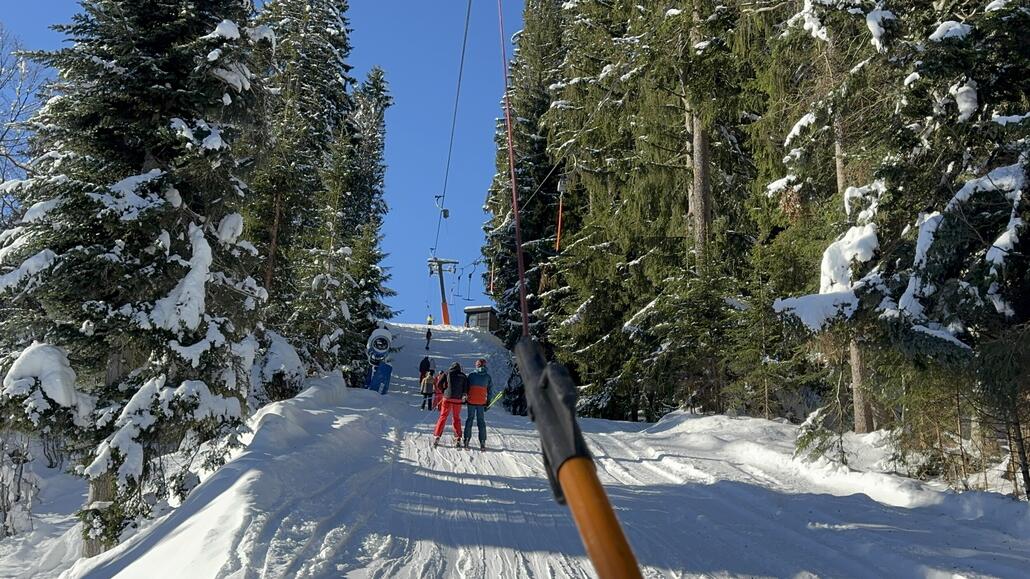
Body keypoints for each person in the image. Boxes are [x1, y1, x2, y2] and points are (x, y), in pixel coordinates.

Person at [433, 362, 468, 447]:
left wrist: (444, 391)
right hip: (457, 399)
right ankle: (458, 437)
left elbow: (438, 384)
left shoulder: (447, 373)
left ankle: (437, 436)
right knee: (456, 417)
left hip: (447, 398)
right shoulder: (463, 375)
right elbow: (466, 388)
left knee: (443, 416)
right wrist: (463, 395)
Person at [463, 358, 493, 451]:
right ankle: (482, 441)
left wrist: (465, 398)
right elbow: (490, 392)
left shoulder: (471, 375)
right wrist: (488, 402)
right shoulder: (488, 377)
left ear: (477, 365)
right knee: (481, 421)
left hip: (471, 401)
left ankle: (467, 439)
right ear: (485, 366)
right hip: (481, 402)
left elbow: (466, 388)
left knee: (470, 419)